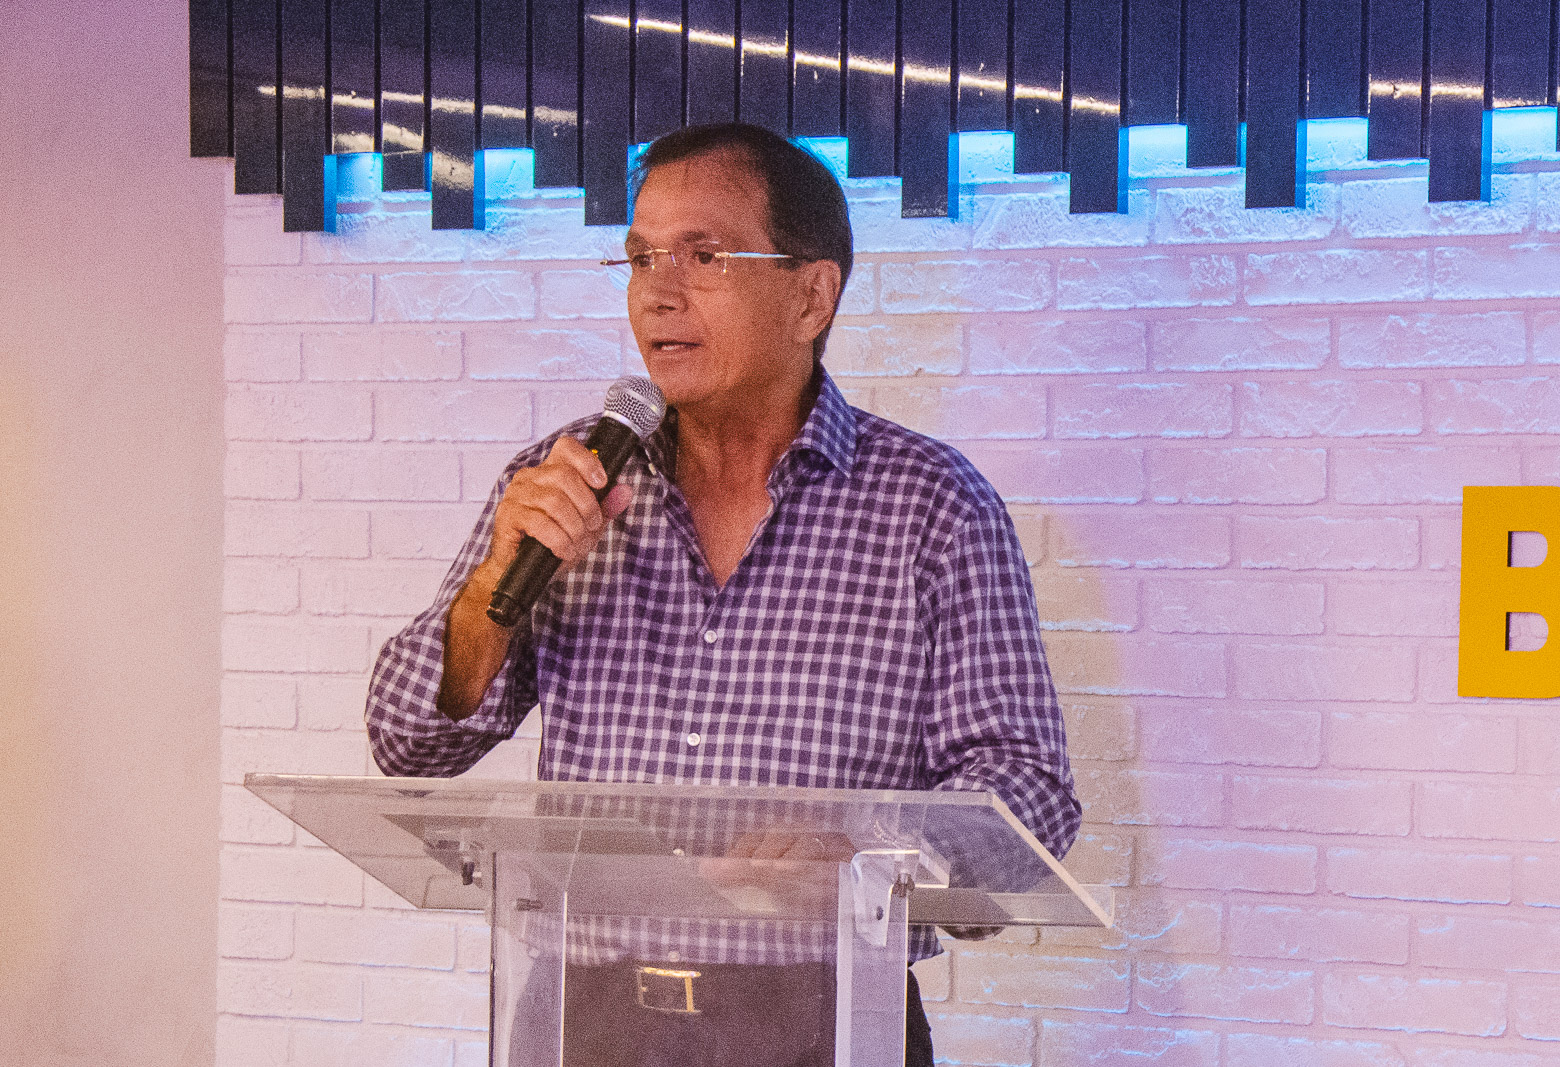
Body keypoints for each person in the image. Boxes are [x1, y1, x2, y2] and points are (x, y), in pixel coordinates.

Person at [365, 122, 1080, 1067]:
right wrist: (496, 582)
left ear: (811, 296)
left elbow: (1030, 798)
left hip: (823, 1017)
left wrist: (866, 854)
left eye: (704, 256)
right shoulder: (569, 481)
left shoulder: (932, 506)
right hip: (589, 1020)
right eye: (640, 258)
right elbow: (408, 738)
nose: (657, 292)